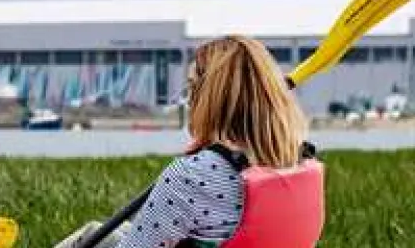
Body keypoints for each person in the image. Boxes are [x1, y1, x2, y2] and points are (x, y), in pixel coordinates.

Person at [52, 35, 325, 248]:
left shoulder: (192, 175)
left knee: (91, 238)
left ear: (208, 98)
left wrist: (202, 160)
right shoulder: (300, 161)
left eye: (193, 87)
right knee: (99, 232)